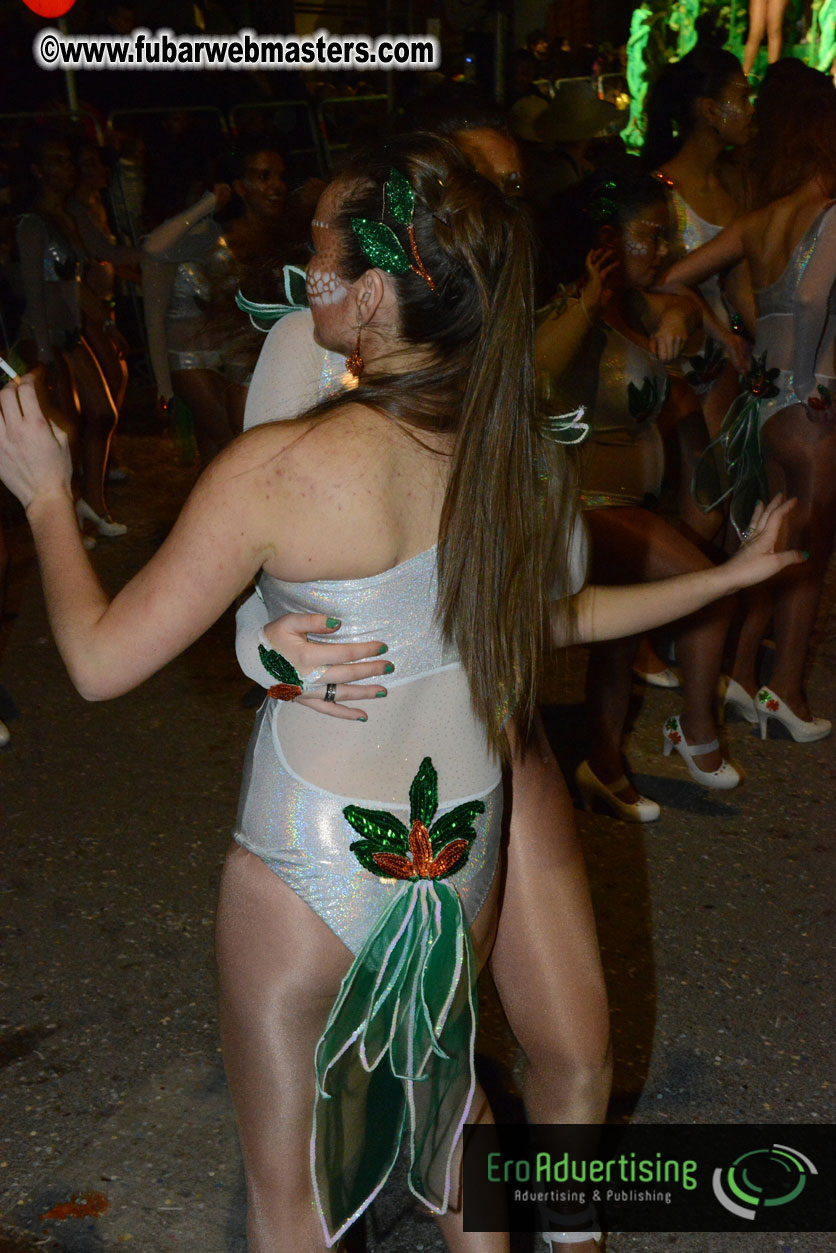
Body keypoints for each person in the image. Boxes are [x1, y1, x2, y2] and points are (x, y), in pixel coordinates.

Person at [0, 132, 802, 1251]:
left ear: (377, 289)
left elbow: (94, 659)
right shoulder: (508, 455)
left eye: (323, 249)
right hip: (459, 856)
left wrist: (44, 494)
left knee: (294, 1208)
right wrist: (726, 574)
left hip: (309, 858)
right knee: (456, 1157)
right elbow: (542, 614)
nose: (303, 267)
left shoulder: (279, 467)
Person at [536, 165, 743, 820]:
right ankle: (697, 735)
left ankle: (602, 765)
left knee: (620, 646)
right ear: (604, 239)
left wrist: (683, 311)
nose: (664, 250)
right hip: (581, 506)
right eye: (651, 236)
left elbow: (681, 305)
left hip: (629, 506)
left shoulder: (631, 307)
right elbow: (533, 373)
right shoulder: (573, 308)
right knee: (707, 589)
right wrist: (583, 307)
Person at [660, 64, 836, 742]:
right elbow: (817, 300)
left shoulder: (761, 218)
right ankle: (783, 690)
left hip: (756, 410)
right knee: (804, 563)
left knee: (759, 548)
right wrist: (807, 381)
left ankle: (735, 673)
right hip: (810, 409)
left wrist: (725, 331)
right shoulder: (828, 215)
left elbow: (676, 275)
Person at [15, 131, 133, 539]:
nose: (68, 168)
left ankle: (92, 503)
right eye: (57, 160)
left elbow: (74, 284)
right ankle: (64, 519)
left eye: (68, 160)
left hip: (69, 333)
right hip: (41, 336)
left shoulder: (67, 217)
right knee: (64, 431)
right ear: (37, 171)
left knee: (103, 412)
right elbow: (33, 289)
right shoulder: (32, 223)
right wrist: (44, 353)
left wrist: (103, 321)